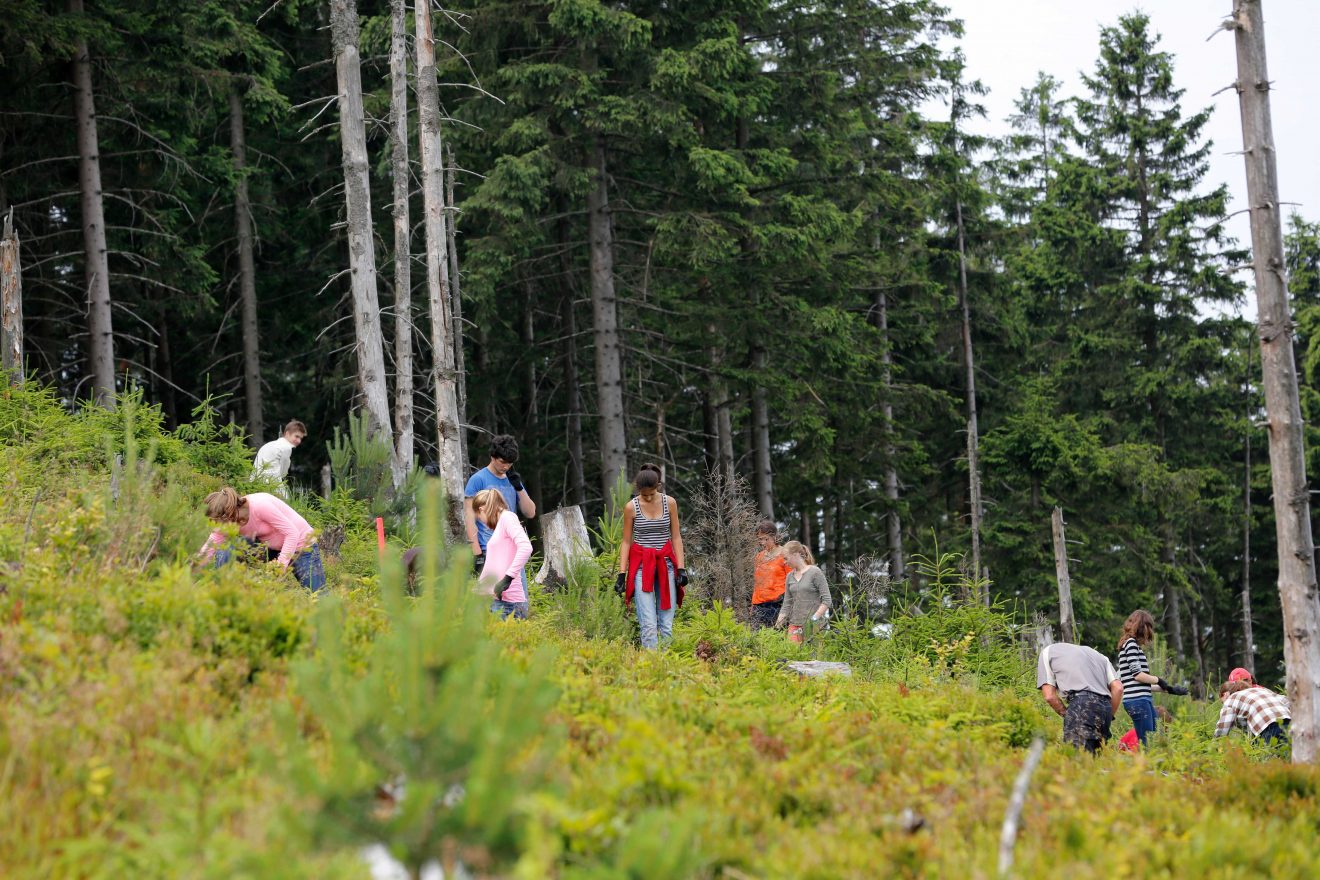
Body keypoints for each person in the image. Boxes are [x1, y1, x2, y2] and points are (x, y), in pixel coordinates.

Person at [197, 487, 325, 592]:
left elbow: (292, 533)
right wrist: (190, 569)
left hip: (301, 545)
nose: (218, 526)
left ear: (229, 513)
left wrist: (280, 566)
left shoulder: (260, 505)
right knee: (226, 549)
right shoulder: (225, 522)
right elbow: (211, 545)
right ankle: (224, 591)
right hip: (270, 546)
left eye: (219, 521)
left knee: (317, 594)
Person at [615, 464, 687, 650]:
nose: (647, 497)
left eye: (651, 494)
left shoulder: (669, 502)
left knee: (666, 625)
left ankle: (667, 667)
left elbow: (676, 537)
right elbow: (626, 542)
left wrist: (681, 567)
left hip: (666, 564)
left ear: (658, 486)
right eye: (643, 494)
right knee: (648, 624)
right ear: (638, 491)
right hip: (641, 567)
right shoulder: (631, 507)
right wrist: (621, 574)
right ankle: (651, 668)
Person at [463, 435, 536, 574]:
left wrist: (519, 488)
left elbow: (530, 513)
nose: (506, 466)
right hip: (489, 548)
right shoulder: (478, 480)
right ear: (492, 457)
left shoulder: (513, 479)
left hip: (512, 548)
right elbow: (469, 518)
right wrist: (477, 554)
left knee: (519, 595)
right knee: (494, 595)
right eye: (503, 462)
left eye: (510, 463)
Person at [1115, 609, 1188, 745]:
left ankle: (1148, 764)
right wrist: (1159, 680)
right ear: (1142, 627)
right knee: (1148, 743)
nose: (1150, 632)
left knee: (1153, 738)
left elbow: (1139, 683)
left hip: (1142, 699)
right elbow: (1137, 675)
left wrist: (1170, 689)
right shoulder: (1130, 644)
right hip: (1138, 701)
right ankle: (1145, 765)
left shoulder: (1133, 646)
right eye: (1149, 627)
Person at [1037, 642, 1124, 754]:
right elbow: (1118, 688)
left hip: (1080, 705)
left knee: (1078, 763)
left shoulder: (1048, 651)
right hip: (1105, 708)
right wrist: (1109, 716)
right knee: (1097, 764)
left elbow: (1049, 696)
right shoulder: (1100, 656)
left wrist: (1066, 714)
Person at [473, 488, 534, 620]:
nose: (482, 522)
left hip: (507, 602)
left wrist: (507, 579)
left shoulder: (507, 518)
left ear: (482, 509)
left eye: (479, 518)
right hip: (496, 600)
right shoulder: (501, 524)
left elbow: (526, 547)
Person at [774, 541, 832, 644]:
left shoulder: (815, 572)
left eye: (786, 558)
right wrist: (777, 626)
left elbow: (827, 600)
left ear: (795, 555)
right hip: (794, 625)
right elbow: (787, 604)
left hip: (815, 626)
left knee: (815, 658)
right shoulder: (789, 577)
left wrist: (813, 619)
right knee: (793, 656)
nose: (784, 562)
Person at [1214, 679, 1291, 746]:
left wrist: (1215, 747)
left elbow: (1222, 730)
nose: (1223, 705)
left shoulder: (1231, 698)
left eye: (1222, 701)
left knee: (1274, 760)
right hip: (1290, 723)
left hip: (1269, 728)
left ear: (1225, 694)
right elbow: (1287, 701)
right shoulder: (1261, 690)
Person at [751, 520, 792, 630]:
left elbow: (792, 582)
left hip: (778, 605)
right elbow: (757, 584)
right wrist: (753, 606)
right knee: (757, 641)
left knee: (776, 639)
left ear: (774, 536)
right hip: (758, 606)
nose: (763, 542)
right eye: (760, 539)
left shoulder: (785, 555)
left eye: (766, 539)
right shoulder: (758, 557)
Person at [252, 420, 307, 495]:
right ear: (287, 433)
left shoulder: (268, 444)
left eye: (301, 438)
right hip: (271, 487)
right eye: (296, 436)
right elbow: (283, 473)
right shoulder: (286, 448)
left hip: (254, 484)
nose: (299, 441)